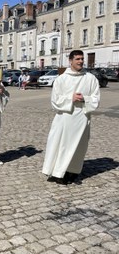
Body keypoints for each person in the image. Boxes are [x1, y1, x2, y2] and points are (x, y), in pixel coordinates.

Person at [42, 50, 100, 184]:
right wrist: (71, 98)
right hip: (65, 118)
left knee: (78, 146)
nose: (80, 61)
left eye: (82, 59)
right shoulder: (62, 79)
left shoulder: (90, 78)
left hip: (82, 118)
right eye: (77, 59)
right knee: (61, 144)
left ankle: (72, 171)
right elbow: (55, 100)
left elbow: (96, 98)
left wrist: (84, 98)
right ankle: (57, 173)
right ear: (70, 60)